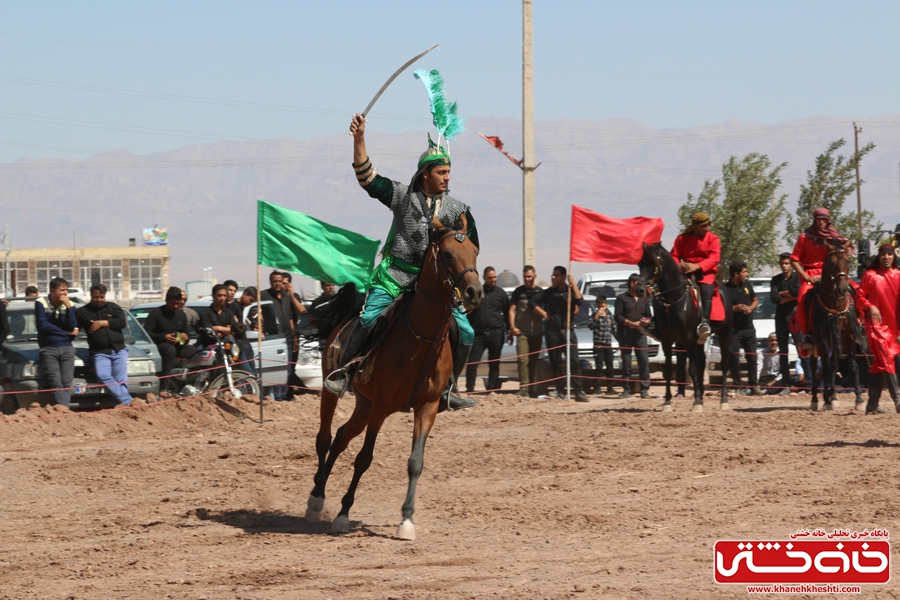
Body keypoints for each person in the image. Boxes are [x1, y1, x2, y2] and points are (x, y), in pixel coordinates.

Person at [323, 112, 479, 412]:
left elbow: (469, 249)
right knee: (369, 319)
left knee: (468, 332)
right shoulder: (401, 195)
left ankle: (449, 389)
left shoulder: (459, 210)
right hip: (395, 276)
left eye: (449, 172)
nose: (447, 177)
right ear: (426, 174)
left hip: (436, 286)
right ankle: (343, 374)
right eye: (442, 172)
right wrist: (359, 139)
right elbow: (366, 177)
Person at [790, 207, 850, 353]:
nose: (821, 222)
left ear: (828, 221)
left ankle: (857, 325)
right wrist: (806, 277)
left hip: (831, 273)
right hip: (810, 274)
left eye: (824, 220)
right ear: (814, 220)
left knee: (854, 290)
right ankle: (808, 335)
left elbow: (842, 253)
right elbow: (794, 260)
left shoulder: (833, 237)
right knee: (803, 298)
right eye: (819, 220)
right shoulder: (804, 237)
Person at [529, 266, 589, 402]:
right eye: (553, 274)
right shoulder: (549, 293)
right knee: (555, 363)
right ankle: (560, 391)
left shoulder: (570, 291)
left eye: (556, 275)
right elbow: (532, 302)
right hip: (553, 333)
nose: (553, 277)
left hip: (568, 331)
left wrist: (573, 283)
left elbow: (580, 301)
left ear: (563, 276)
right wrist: (544, 314)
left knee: (574, 362)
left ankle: (579, 392)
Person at [855, 243, 900, 414]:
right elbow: (858, 297)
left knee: (878, 365)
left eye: (889, 254)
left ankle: (872, 404)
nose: (886, 257)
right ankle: (897, 399)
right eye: (883, 254)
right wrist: (870, 306)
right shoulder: (870, 275)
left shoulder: (898, 275)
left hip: (895, 330)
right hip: (877, 328)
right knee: (887, 360)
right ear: (878, 257)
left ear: (893, 257)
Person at [75, 283, 133, 406]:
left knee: (121, 380)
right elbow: (75, 328)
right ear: (91, 296)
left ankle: (120, 407)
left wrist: (102, 323)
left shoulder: (113, 307)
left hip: (118, 350)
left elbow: (121, 322)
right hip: (100, 352)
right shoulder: (83, 312)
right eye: (96, 297)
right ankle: (129, 402)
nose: (99, 300)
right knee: (103, 376)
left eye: (102, 297)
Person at [670, 212, 721, 343]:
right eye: (704, 226)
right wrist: (679, 264)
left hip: (705, 273)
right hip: (685, 273)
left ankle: (705, 324)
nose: (708, 228)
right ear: (696, 227)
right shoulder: (682, 239)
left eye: (709, 224)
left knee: (706, 291)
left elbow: (715, 258)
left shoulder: (713, 238)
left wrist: (697, 266)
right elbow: (674, 255)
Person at [34, 277, 79, 408]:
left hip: (67, 347)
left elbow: (72, 326)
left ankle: (63, 410)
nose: (65, 293)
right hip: (49, 348)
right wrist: (64, 333)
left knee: (66, 382)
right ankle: (65, 410)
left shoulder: (70, 304)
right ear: (52, 290)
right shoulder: (41, 302)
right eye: (62, 290)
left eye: (67, 290)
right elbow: (43, 325)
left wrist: (69, 307)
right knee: (55, 382)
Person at [144, 287, 197, 394]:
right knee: (170, 350)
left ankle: (194, 384)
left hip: (178, 346)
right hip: (161, 346)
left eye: (178, 303)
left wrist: (185, 337)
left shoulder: (181, 314)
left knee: (197, 353)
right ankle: (164, 387)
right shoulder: (156, 313)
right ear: (166, 300)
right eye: (173, 303)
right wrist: (164, 338)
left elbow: (187, 334)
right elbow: (146, 334)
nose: (176, 306)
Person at [465, 267, 509, 393]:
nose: (493, 280)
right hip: (478, 334)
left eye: (494, 277)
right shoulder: (477, 292)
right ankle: (470, 389)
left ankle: (491, 389)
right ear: (484, 278)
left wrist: (509, 330)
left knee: (494, 363)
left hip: (496, 333)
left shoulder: (501, 294)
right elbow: (469, 311)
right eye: (490, 278)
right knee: (472, 363)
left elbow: (507, 312)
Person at [724, 262, 760, 395]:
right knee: (734, 358)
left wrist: (750, 308)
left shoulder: (747, 285)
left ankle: (753, 385)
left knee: (752, 358)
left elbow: (755, 300)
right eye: (744, 272)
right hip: (734, 330)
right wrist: (734, 308)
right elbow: (721, 307)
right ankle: (737, 384)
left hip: (749, 327)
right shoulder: (725, 288)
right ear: (736, 274)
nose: (747, 274)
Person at [508, 266, 543, 398]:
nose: (527, 279)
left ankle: (532, 388)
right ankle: (524, 388)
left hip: (537, 333)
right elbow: (512, 310)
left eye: (529, 276)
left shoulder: (540, 292)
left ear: (535, 276)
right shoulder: (518, 292)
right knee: (523, 360)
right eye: (525, 276)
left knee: (533, 361)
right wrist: (512, 327)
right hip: (522, 332)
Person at [615, 274, 652, 399]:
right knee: (626, 362)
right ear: (631, 283)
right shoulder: (621, 298)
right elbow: (618, 317)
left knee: (644, 361)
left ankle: (644, 389)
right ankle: (626, 389)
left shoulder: (644, 299)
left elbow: (649, 315)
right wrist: (632, 324)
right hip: (625, 334)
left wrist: (646, 321)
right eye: (637, 283)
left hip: (640, 334)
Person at [261, 271, 295, 400]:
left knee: (288, 369)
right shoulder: (264, 295)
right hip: (273, 337)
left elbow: (290, 317)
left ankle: (283, 396)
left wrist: (294, 335)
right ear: (270, 282)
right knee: (276, 368)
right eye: (275, 281)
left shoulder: (286, 297)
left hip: (288, 336)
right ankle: (277, 397)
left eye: (280, 281)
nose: (277, 284)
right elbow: (257, 311)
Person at [769, 252, 799, 396]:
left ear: (791, 265)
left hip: (796, 319)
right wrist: (790, 296)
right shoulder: (775, 280)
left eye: (787, 263)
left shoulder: (797, 278)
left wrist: (782, 294)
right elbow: (774, 299)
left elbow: (797, 292)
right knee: (783, 353)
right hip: (781, 320)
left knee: (802, 350)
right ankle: (787, 383)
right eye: (782, 263)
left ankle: (808, 383)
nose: (784, 266)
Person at [588, 295, 617, 394]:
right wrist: (597, 315)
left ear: (606, 305)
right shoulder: (593, 315)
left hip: (608, 344)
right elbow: (591, 326)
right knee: (599, 366)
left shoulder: (610, 315)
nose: (601, 308)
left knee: (610, 366)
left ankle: (610, 388)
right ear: (596, 306)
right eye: (599, 306)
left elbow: (614, 329)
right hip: (598, 345)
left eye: (603, 306)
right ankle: (597, 388)